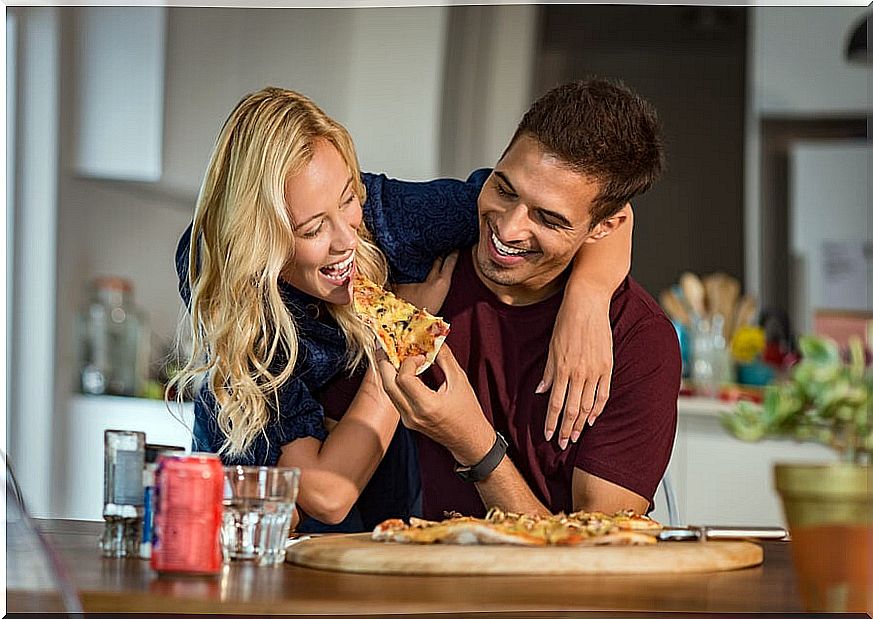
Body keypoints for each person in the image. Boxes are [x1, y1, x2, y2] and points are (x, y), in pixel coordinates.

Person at [170, 86, 632, 531]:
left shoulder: (389, 219)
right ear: (257, 240)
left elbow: (596, 208)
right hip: (236, 529)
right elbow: (325, 497)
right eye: (311, 230)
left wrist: (587, 301)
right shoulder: (232, 292)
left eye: (348, 197)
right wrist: (401, 333)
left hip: (377, 524)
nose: (348, 239)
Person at [375, 79, 681, 519]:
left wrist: (474, 444)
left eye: (549, 218)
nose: (509, 228)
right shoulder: (425, 270)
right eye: (504, 189)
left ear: (606, 228)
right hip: (426, 576)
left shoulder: (638, 340)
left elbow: (594, 556)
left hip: (553, 590)